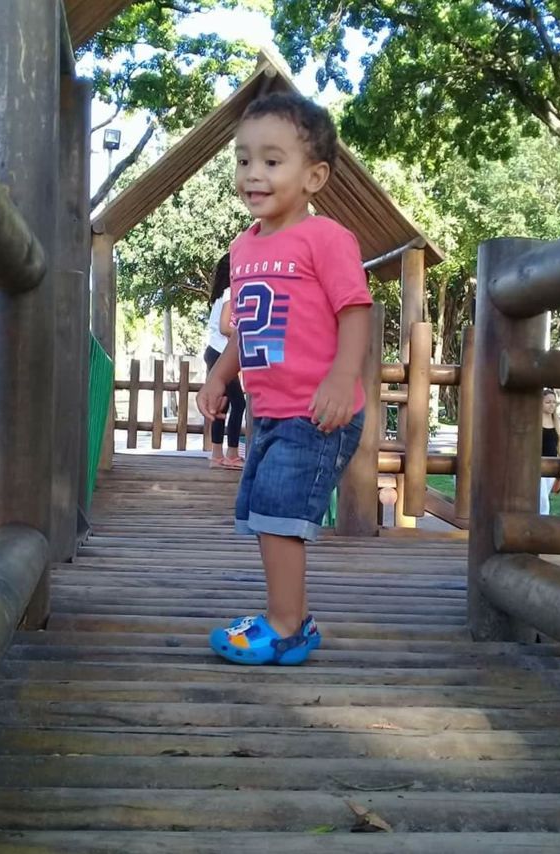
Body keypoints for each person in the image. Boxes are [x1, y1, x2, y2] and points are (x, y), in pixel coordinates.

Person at [196, 92, 372, 665]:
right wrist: (220, 375)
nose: (254, 173)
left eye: (272, 161)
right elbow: (248, 327)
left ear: (314, 176)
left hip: (317, 412)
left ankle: (284, 626)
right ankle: (294, 617)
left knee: (278, 515)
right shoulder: (242, 248)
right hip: (270, 411)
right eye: (244, 159)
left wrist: (342, 379)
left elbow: (355, 310)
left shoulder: (327, 239)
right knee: (265, 514)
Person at [203, 253, 246, 469]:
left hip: (214, 351)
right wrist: (245, 333)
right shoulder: (231, 292)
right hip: (221, 351)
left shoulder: (221, 293)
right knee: (239, 403)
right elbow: (224, 327)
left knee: (222, 403)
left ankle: (217, 455)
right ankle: (232, 454)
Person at [540, 388, 560, 515]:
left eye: (554, 402)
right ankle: (543, 520)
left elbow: (559, 445)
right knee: (542, 499)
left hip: (553, 464)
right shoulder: (537, 421)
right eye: (548, 402)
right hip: (539, 464)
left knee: (545, 496)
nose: (552, 405)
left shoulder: (557, 422)